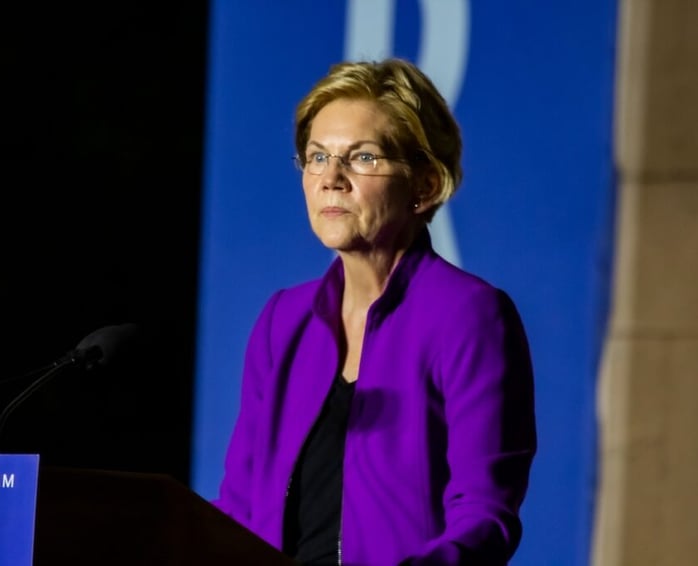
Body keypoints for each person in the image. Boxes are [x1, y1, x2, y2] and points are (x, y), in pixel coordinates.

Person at [212, 57, 537, 566]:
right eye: (317, 157)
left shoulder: (470, 316)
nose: (331, 179)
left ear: (425, 185)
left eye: (362, 158)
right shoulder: (283, 321)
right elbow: (237, 506)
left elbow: (485, 513)